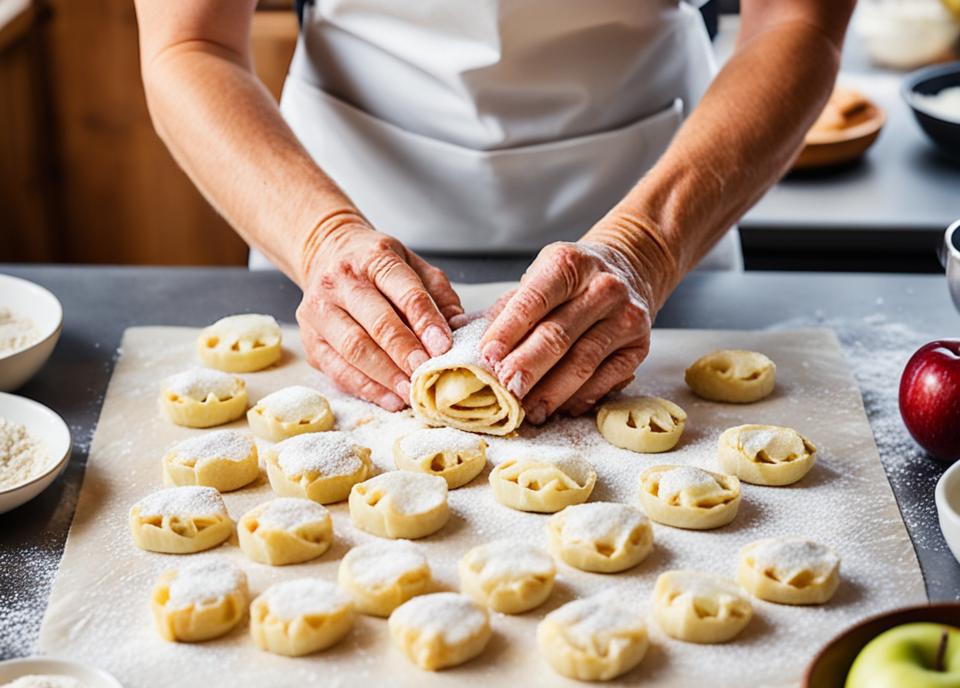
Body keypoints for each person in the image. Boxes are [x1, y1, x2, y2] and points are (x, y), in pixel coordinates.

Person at [134, 0, 855, 423]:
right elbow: (189, 43)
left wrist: (647, 246)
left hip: (666, 189)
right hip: (332, 186)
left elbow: (797, 18)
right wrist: (322, 238)